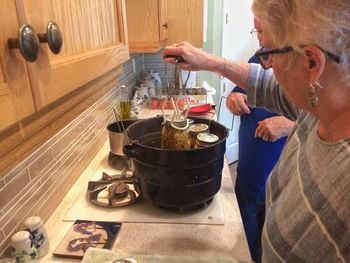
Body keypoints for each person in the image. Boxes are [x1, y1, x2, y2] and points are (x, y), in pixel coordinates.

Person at [162, 0, 350, 261]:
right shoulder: (317, 108)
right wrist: (206, 60)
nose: (267, 65)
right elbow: (267, 84)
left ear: (311, 64)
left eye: (270, 54)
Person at [228, 18, 294, 263]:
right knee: (246, 203)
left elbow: (322, 117)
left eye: (264, 29)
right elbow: (240, 90)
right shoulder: (260, 57)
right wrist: (233, 97)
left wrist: (288, 125)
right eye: (256, 29)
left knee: (272, 213)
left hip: (278, 156)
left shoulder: (304, 64)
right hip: (250, 157)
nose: (259, 37)